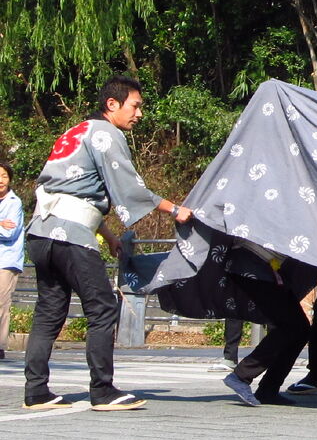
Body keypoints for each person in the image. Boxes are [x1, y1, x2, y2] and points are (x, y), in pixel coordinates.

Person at [23, 75, 192, 411]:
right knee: (102, 307)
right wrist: (174, 208)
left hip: (41, 232)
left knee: (48, 312)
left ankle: (36, 392)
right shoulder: (105, 132)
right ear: (112, 104)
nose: (139, 113)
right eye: (136, 105)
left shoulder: (77, 131)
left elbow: (69, 189)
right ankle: (102, 391)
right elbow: (130, 188)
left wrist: (109, 235)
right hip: (69, 235)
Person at [222, 240, 315, 406]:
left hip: (265, 266)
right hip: (251, 262)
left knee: (299, 330)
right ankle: (241, 376)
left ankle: (268, 389)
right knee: (291, 326)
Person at [0, 161, 24, 360]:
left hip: (5, 261)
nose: (0, 181)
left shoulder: (13, 202)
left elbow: (9, 232)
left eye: (4, 176)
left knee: (0, 304)